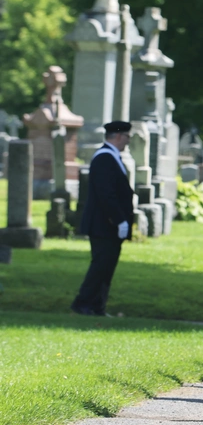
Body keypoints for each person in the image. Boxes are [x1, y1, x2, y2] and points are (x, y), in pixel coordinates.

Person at [71, 121, 134, 317]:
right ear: (117, 136)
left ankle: (97, 306)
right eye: (126, 137)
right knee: (100, 265)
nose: (128, 141)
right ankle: (83, 303)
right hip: (104, 224)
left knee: (106, 267)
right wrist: (119, 220)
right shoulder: (104, 158)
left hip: (108, 224)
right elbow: (106, 194)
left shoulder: (112, 157)